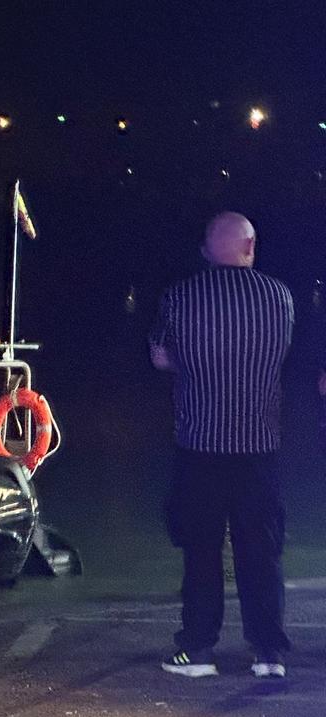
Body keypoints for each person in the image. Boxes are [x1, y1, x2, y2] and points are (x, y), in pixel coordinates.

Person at [150, 211, 294, 679]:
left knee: (202, 550)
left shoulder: (180, 296)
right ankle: (268, 653)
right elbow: (282, 354)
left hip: (200, 447)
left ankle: (198, 649)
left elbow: (160, 356)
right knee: (261, 551)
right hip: (260, 447)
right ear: (250, 248)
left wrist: (194, 365)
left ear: (209, 249)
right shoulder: (280, 297)